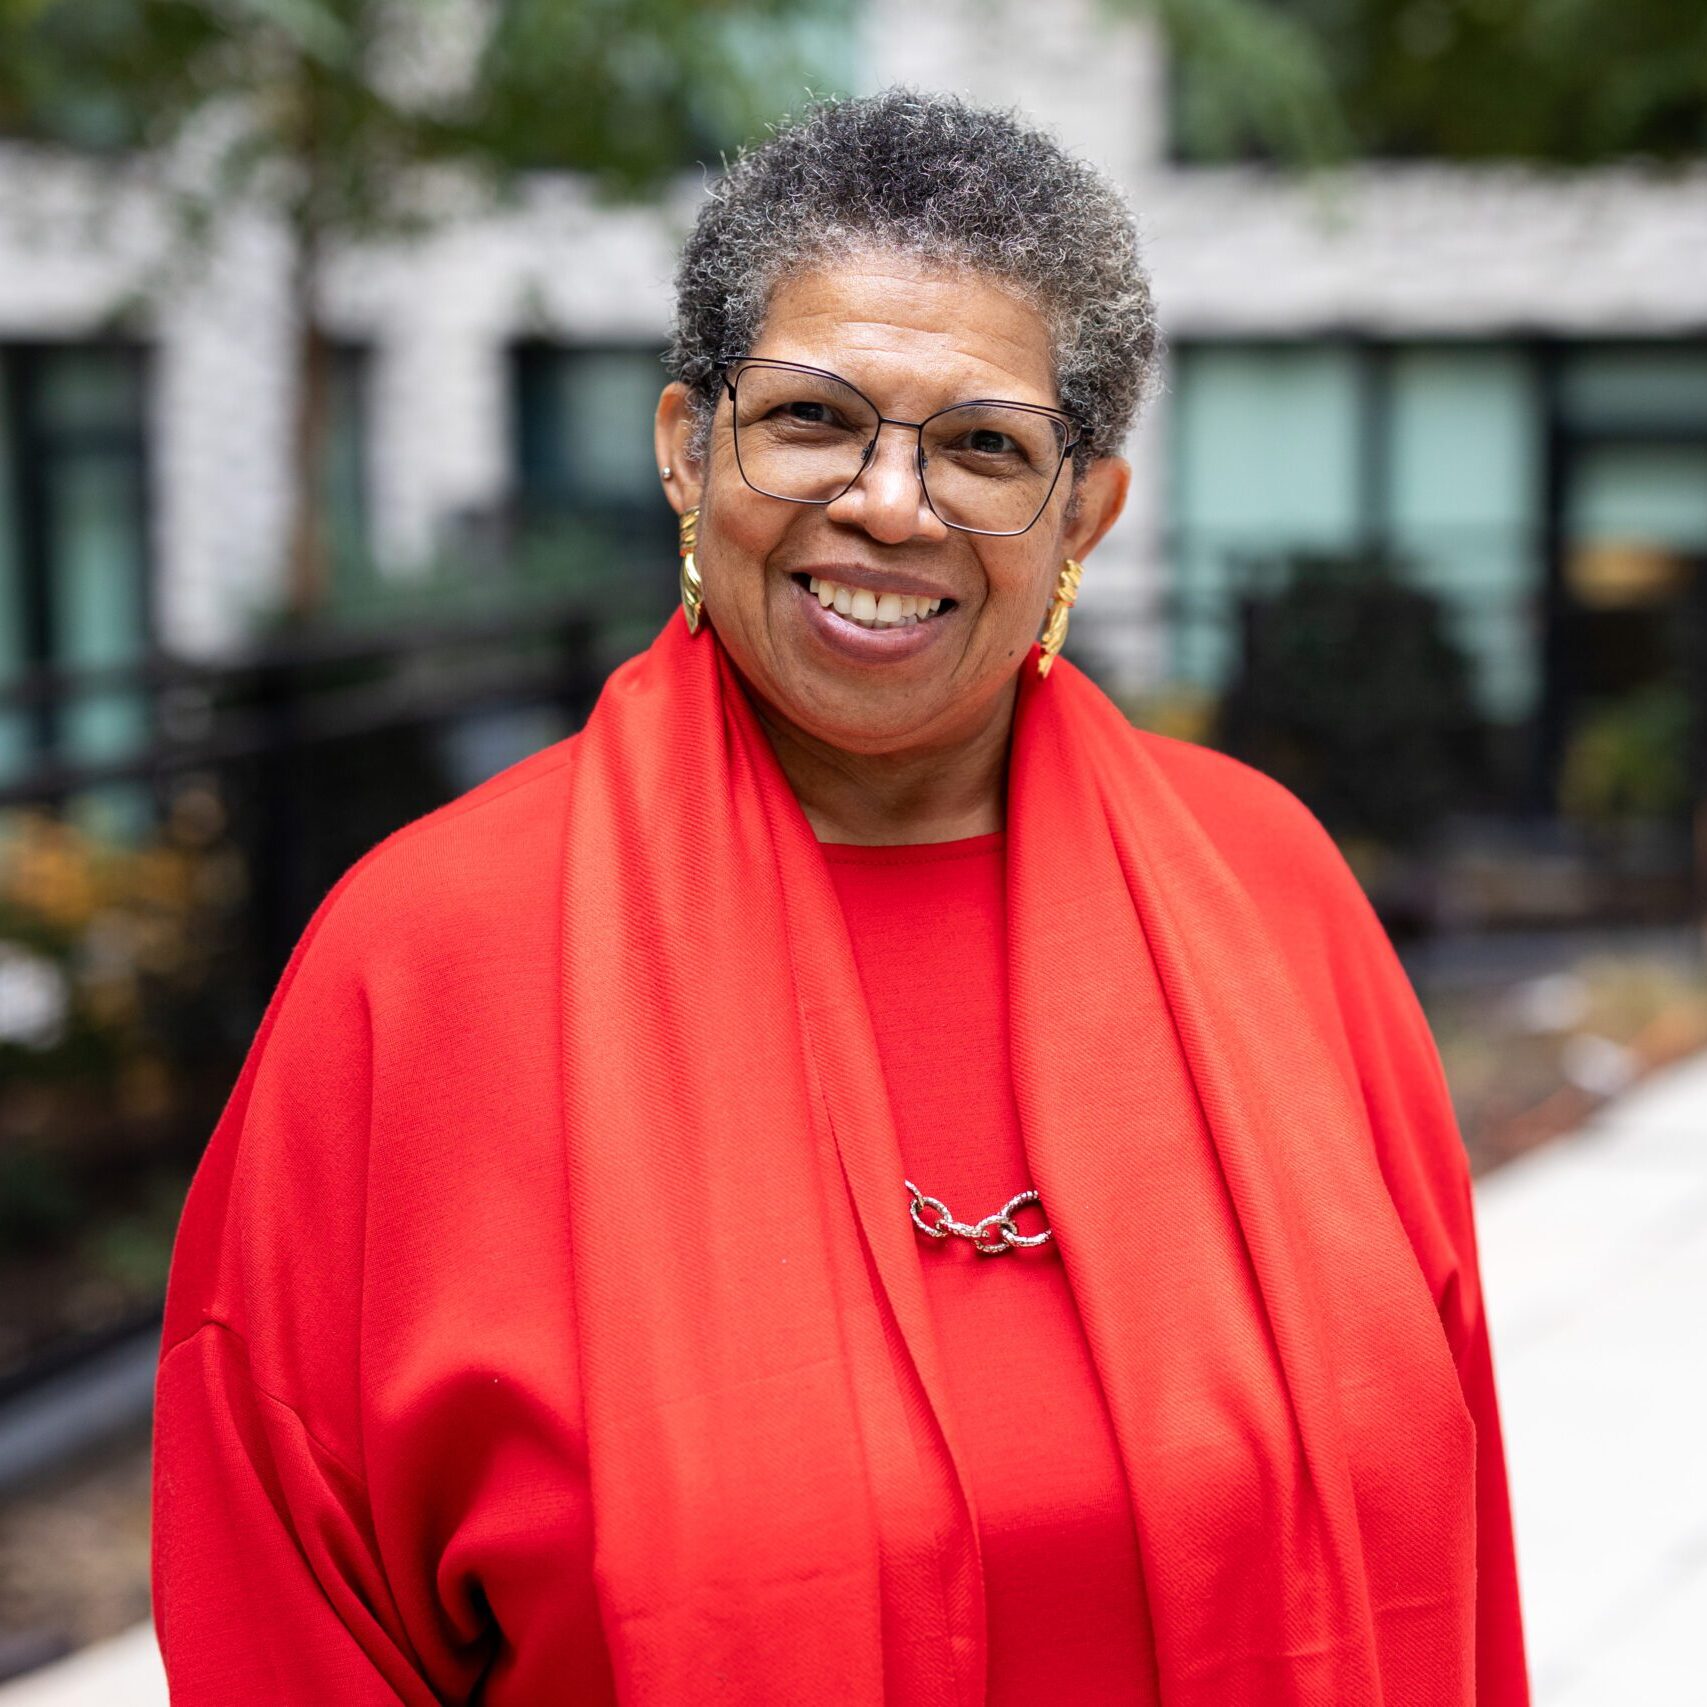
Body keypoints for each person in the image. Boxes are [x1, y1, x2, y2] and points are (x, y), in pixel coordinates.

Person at [151, 89, 1529, 1705]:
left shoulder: (1270, 891)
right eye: (812, 419)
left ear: (1085, 512)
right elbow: (282, 1602)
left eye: (984, 445)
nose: (890, 502)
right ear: (686, 447)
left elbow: (1452, 1553)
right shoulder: (428, 958)